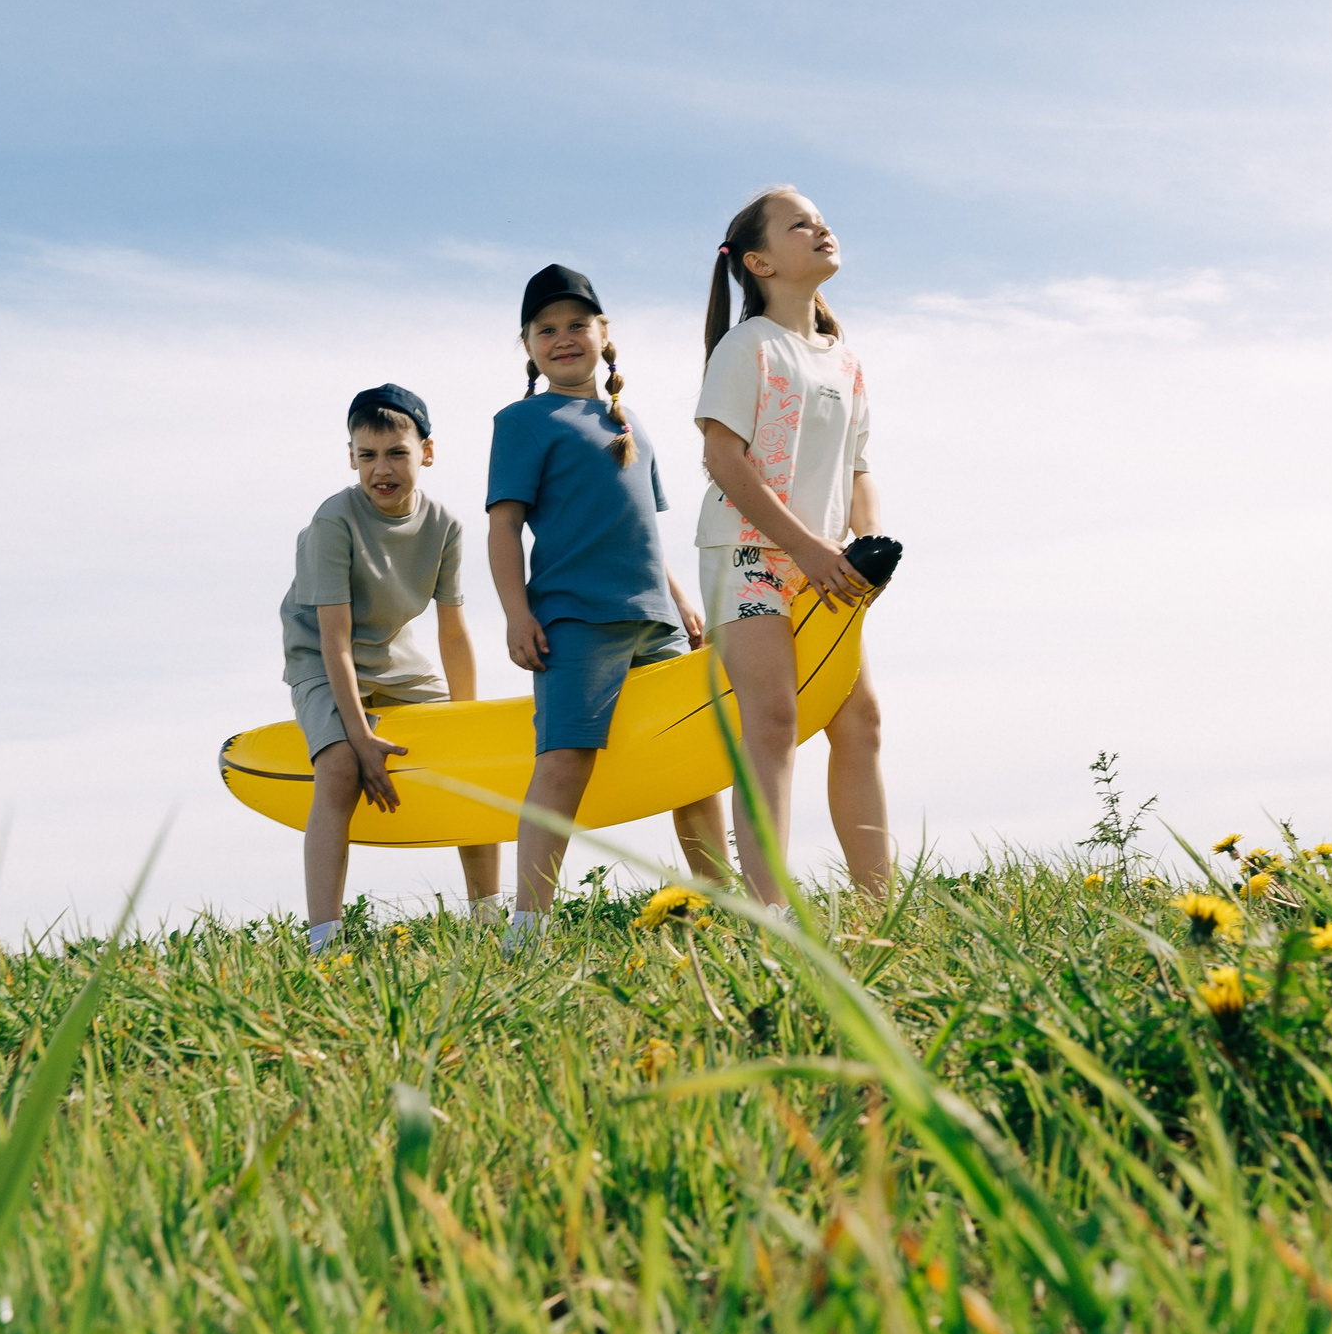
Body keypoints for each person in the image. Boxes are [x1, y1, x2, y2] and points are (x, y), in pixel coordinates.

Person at [488, 265, 730, 957]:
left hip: (654, 620)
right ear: (529, 345)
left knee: (692, 764)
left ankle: (716, 903)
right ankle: (526, 928)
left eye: (576, 325)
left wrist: (681, 603)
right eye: (546, 330)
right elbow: (504, 527)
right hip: (573, 618)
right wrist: (516, 612)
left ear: (603, 334)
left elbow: (645, 532)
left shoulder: (633, 424)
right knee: (563, 760)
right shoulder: (523, 422)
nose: (562, 338)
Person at [696, 187, 890, 903]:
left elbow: (859, 470)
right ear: (759, 262)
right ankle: (771, 912)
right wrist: (806, 547)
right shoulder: (745, 346)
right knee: (774, 720)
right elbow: (723, 457)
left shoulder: (847, 362)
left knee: (860, 720)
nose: (821, 227)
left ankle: (878, 907)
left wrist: (867, 547)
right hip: (746, 556)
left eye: (821, 218)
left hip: (828, 566)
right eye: (799, 223)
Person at [280, 384, 500, 952]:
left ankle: (490, 919)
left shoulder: (445, 524)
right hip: (323, 658)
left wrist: (466, 724)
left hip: (396, 657)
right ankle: (324, 940)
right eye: (368, 455)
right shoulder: (334, 521)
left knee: (470, 767)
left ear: (426, 452)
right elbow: (334, 638)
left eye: (397, 453)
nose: (383, 469)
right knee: (338, 769)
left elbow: (452, 631)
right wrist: (360, 738)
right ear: (351, 456)